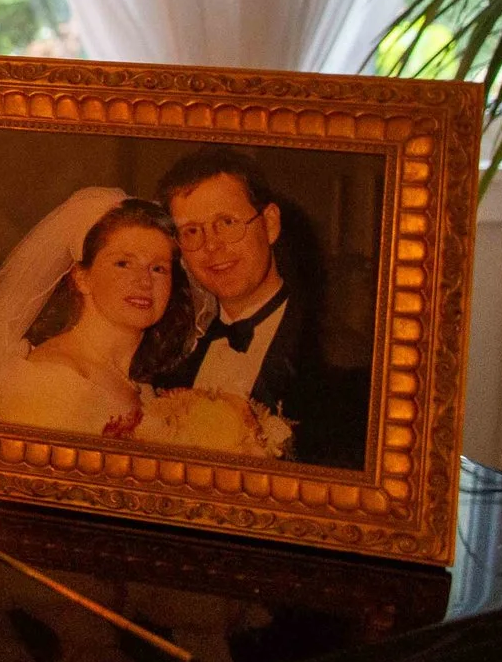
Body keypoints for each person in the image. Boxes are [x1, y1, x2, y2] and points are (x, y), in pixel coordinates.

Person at [148, 146, 364, 469]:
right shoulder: (170, 359)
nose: (212, 246)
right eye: (192, 231)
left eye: (227, 222)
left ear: (270, 224)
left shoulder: (344, 363)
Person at [0, 190, 200, 440]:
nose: (144, 281)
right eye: (123, 263)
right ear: (82, 278)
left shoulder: (142, 388)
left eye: (158, 269)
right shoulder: (49, 379)